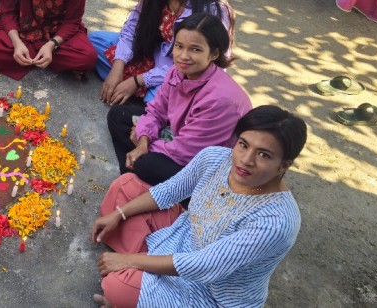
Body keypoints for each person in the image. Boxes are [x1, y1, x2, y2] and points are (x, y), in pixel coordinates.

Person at [91, 106, 307, 308]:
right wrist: (119, 214)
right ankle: (141, 269)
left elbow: (205, 265)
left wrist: (129, 260)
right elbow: (170, 191)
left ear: (283, 166)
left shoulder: (276, 222)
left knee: (116, 286)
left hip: (210, 292)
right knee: (125, 187)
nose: (246, 160)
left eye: (263, 155)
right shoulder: (216, 158)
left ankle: (135, 268)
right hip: (182, 235)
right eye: (243, 144)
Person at [89, 0, 233, 105]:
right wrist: (117, 67)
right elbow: (132, 28)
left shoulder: (212, 8)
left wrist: (137, 81)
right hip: (153, 55)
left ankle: (146, 95)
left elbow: (206, 64)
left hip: (185, 71)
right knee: (95, 41)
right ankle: (135, 89)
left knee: (163, 98)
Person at [107, 12, 251, 183]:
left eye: (195, 49)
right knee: (118, 115)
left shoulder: (221, 100)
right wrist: (143, 138)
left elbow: (186, 151)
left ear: (214, 54)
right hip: (179, 134)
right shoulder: (177, 72)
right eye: (179, 46)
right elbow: (156, 111)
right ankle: (133, 173)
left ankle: (139, 177)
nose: (183, 56)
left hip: (205, 165)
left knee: (147, 164)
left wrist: (143, 145)